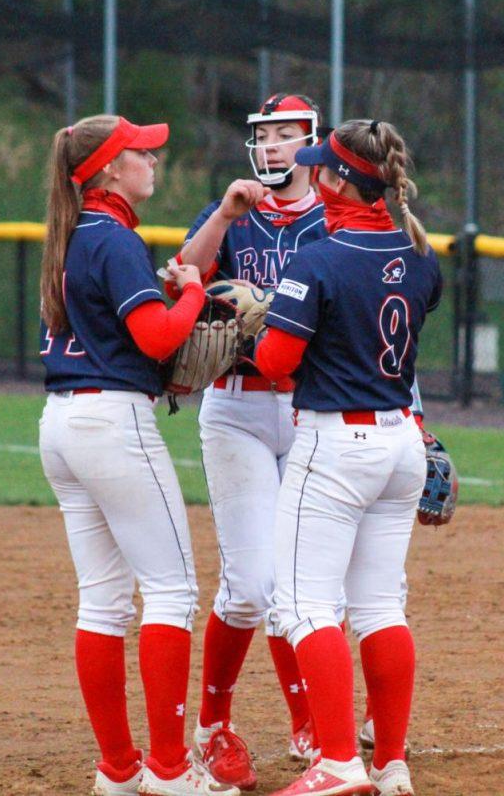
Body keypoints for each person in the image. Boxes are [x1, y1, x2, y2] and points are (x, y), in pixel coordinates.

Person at [36, 114, 237, 796]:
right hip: (112, 425)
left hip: (61, 425)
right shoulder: (115, 238)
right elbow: (156, 337)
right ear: (110, 170)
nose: (153, 159)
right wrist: (187, 294)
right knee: (174, 591)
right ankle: (171, 768)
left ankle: (119, 768)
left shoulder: (71, 235)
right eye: (141, 152)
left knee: (101, 603)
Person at [255, 118, 441, 796]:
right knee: (380, 607)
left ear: (338, 182)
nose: (310, 173)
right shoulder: (422, 255)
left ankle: (336, 760)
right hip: (400, 441)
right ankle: (390, 763)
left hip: (337, 444)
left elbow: (277, 363)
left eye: (320, 168)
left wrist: (259, 318)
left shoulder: (319, 259)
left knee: (304, 605)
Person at [171, 94, 327, 790]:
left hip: (311, 410)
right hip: (235, 407)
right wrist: (226, 218)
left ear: (314, 143)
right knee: (251, 586)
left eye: (287, 136)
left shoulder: (337, 213)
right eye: (264, 136)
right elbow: (183, 272)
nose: (272, 148)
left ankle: (309, 723)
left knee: (306, 583)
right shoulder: (232, 209)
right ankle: (214, 726)